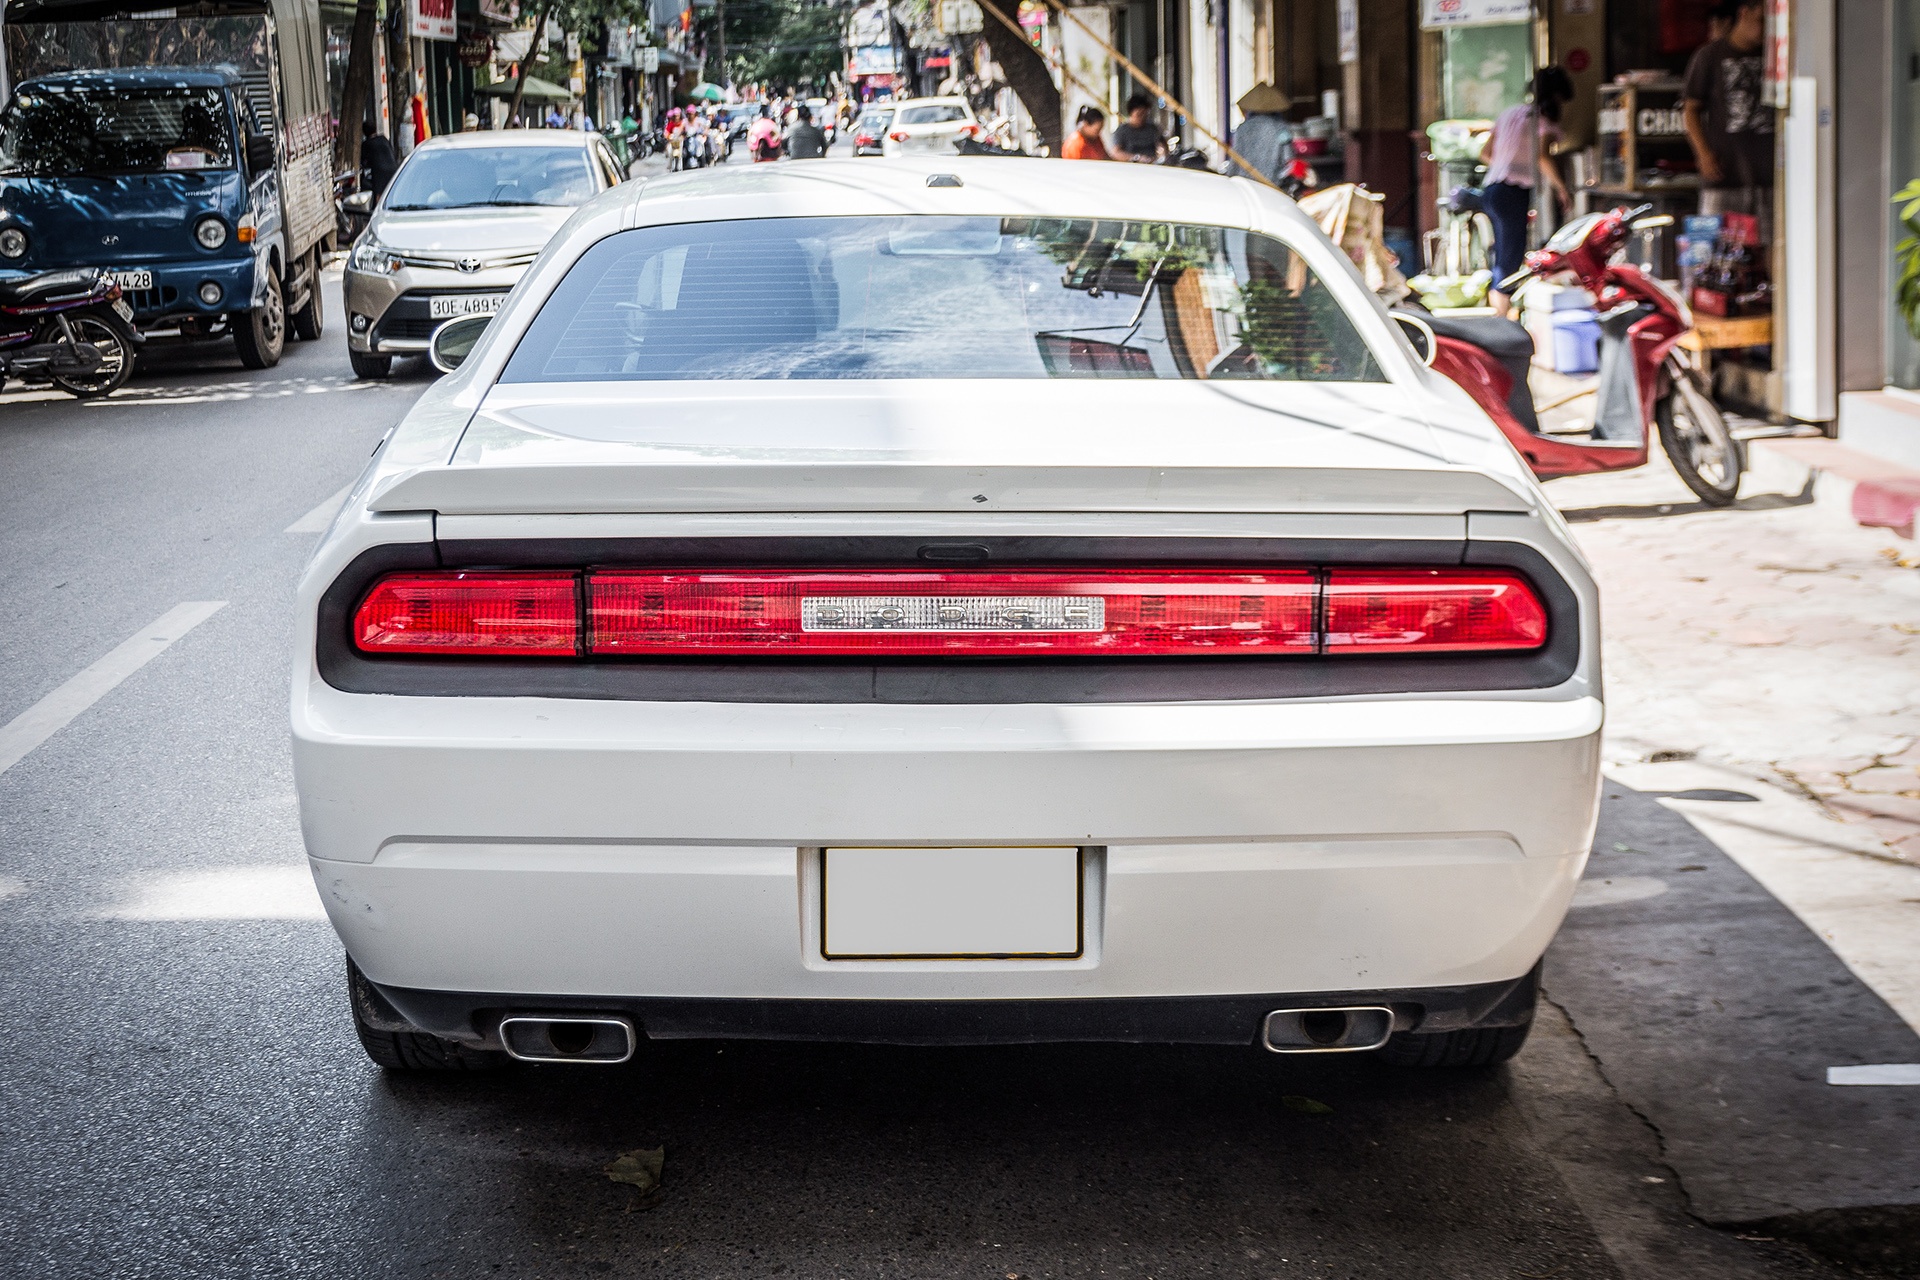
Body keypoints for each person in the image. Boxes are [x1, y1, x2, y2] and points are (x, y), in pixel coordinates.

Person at [1482, 66, 1574, 319]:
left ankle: (1499, 310)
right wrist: (1562, 188)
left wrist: (1505, 164)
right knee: (1510, 253)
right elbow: (1543, 157)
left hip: (1491, 189)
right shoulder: (1542, 122)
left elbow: (1485, 153)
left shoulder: (1509, 113)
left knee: (1503, 251)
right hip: (1513, 192)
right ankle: (1501, 318)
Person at [1683, 0, 1773, 228]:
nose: (1764, 28)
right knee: (1718, 246)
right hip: (1725, 172)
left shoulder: (1772, 55)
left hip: (1769, 172)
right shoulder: (1710, 56)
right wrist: (1702, 153)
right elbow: (1691, 109)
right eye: (1760, 20)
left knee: (1769, 242)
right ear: (1744, 13)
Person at [1229, 81, 1293, 182]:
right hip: (1272, 182)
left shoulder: (1242, 129)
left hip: (1246, 181)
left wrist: (1230, 178)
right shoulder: (1281, 128)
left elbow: (1235, 157)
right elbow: (1288, 157)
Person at [1110, 93, 1166, 163]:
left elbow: (1163, 144)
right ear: (1131, 113)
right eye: (1139, 114)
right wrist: (1136, 157)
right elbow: (1115, 153)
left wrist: (1162, 156)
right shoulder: (1122, 131)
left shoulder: (1152, 128)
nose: (1142, 118)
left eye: (1145, 115)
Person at [360, 121, 398, 200]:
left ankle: (379, 209)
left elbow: (363, 160)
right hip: (393, 168)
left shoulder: (366, 144)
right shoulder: (383, 138)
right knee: (391, 190)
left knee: (379, 193)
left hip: (379, 171)